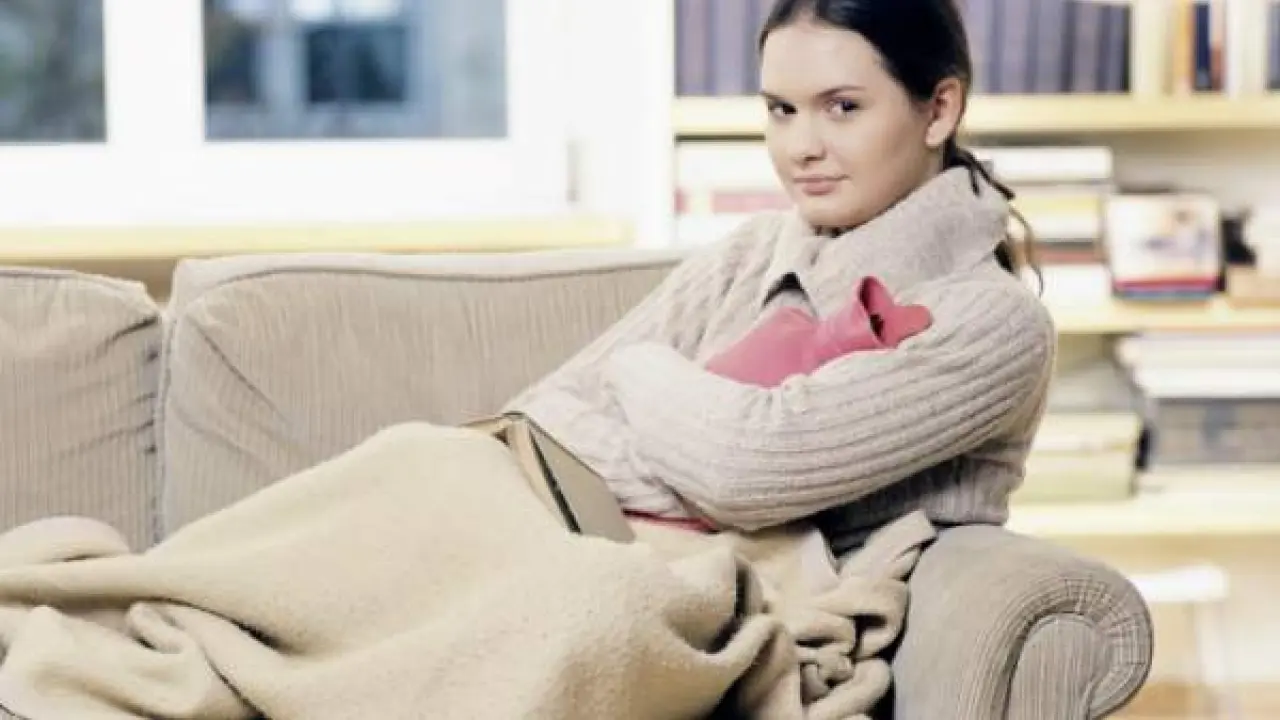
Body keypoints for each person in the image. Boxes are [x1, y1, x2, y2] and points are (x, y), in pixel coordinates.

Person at [505, 0, 1056, 555]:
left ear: (939, 110)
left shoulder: (995, 320)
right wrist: (692, 461)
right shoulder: (752, 250)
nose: (801, 148)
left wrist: (633, 367)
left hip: (776, 598)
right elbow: (539, 418)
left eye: (842, 107)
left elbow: (740, 472)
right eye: (782, 110)